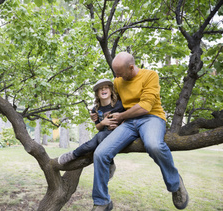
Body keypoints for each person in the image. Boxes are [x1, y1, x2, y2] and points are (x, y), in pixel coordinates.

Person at [90, 52, 189, 211]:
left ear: (131, 67)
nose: (117, 76)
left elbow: (145, 106)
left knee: (154, 145)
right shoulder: (118, 81)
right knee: (100, 153)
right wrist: (100, 115)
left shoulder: (150, 76)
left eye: (120, 73)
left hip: (152, 118)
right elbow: (111, 101)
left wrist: (121, 116)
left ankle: (175, 184)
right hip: (128, 122)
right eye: (116, 73)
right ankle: (102, 201)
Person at [58, 78, 125, 180]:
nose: (103, 90)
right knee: (91, 144)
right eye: (100, 89)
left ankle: (109, 164)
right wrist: (103, 122)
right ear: (97, 94)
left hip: (118, 133)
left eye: (106, 87)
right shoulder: (96, 109)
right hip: (103, 134)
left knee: (100, 136)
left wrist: (120, 125)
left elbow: (128, 117)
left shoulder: (119, 104)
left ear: (111, 91)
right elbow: (98, 127)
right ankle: (73, 155)